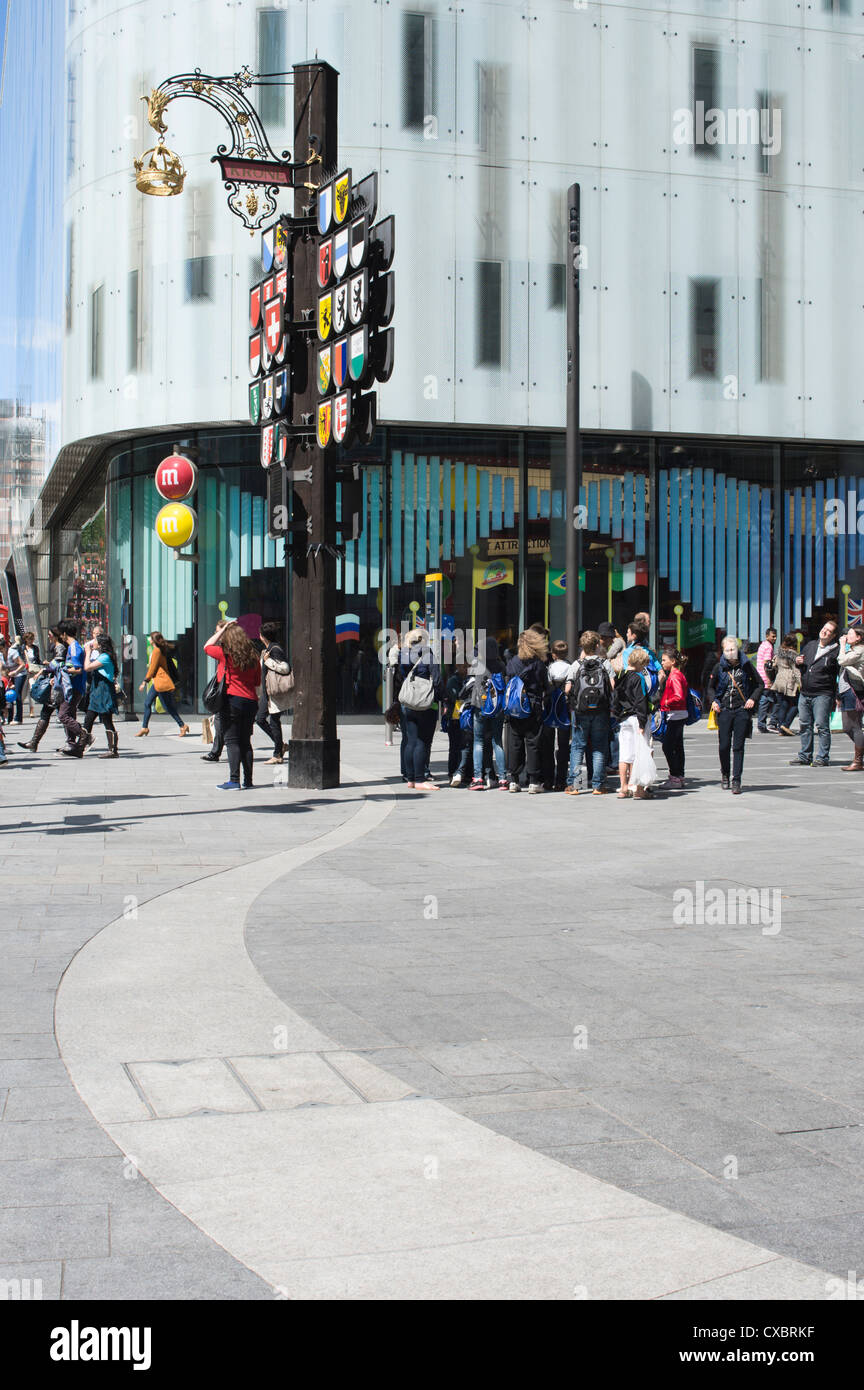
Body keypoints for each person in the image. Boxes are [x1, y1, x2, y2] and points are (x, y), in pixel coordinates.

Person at [203, 619, 261, 789]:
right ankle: (248, 781)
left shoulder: (225, 654)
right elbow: (257, 682)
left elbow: (207, 646)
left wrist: (223, 629)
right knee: (245, 742)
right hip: (250, 701)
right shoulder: (253, 657)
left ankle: (234, 780)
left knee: (231, 741)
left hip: (231, 701)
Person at [708, 635, 760, 794]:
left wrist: (752, 699)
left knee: (738, 747)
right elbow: (710, 687)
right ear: (722, 651)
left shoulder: (746, 665)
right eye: (727, 650)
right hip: (724, 710)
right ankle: (725, 774)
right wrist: (714, 701)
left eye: (733, 649)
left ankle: (736, 780)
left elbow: (760, 684)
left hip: (741, 710)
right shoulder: (719, 667)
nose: (730, 652)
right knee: (724, 746)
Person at [564, 631, 613, 796]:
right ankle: (598, 785)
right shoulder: (605, 663)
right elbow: (612, 686)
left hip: (581, 711)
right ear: (598, 645)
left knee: (578, 746)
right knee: (599, 747)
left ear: (582, 646)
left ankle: (576, 785)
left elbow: (568, 688)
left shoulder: (576, 665)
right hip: (601, 710)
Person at [397, 629, 444, 791]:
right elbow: (437, 680)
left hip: (408, 703)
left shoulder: (403, 655)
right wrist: (439, 701)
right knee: (422, 742)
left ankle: (410, 778)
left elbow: (400, 677)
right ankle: (419, 779)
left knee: (410, 741)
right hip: (425, 704)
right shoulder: (428, 655)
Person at [789, 619, 839, 768]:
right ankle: (805, 755)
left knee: (822, 726)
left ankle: (822, 757)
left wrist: (837, 696)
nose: (824, 631)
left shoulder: (835, 651)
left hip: (823, 693)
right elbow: (802, 666)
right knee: (804, 725)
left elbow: (839, 673)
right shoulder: (810, 645)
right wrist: (798, 662)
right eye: (824, 628)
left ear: (833, 635)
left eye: (828, 631)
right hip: (805, 692)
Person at [505, 629, 549, 793]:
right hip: (533, 706)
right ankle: (533, 780)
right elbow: (546, 686)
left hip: (515, 707)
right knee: (533, 743)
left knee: (514, 743)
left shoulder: (512, 662)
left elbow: (508, 682)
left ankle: (514, 780)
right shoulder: (538, 664)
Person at [466, 635, 507, 790]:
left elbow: (472, 653)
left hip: (480, 706)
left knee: (478, 741)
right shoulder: (501, 665)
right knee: (497, 741)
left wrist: (478, 647)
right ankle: (503, 778)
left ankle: (478, 778)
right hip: (497, 708)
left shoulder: (477, 664)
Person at [611, 646, 650, 798]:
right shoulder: (638, 678)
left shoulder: (622, 675)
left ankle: (623, 787)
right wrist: (642, 722)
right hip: (635, 718)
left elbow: (615, 699)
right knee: (636, 754)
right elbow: (641, 701)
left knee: (624, 755)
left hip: (623, 719)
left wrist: (617, 714)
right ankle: (636, 788)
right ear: (640, 663)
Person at [18, 627, 64, 751]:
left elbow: (58, 664)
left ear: (55, 635)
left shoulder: (60, 647)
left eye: (49, 634)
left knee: (64, 716)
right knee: (48, 714)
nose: (48, 636)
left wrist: (45, 668)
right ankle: (34, 742)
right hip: (54, 687)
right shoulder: (56, 647)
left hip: (58, 687)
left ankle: (81, 738)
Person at [136, 632, 190, 737]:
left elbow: (153, 668)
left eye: (150, 638)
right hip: (158, 682)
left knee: (167, 706)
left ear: (153, 640)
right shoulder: (159, 650)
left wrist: (144, 682)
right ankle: (144, 727)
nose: (149, 640)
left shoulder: (157, 651)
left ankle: (182, 725)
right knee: (148, 703)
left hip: (161, 683)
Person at [257, 621, 292, 764]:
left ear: (263, 636)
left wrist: (267, 662)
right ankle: (280, 746)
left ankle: (278, 754)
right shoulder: (268, 649)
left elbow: (285, 668)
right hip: (268, 692)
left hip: (275, 692)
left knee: (273, 721)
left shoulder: (275, 649)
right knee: (261, 719)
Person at [82, 634, 120, 757]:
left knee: (107, 720)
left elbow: (87, 667)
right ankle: (81, 745)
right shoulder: (102, 656)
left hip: (104, 693)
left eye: (96, 641)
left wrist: (88, 652)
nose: (93, 643)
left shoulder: (105, 657)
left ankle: (113, 750)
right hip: (97, 692)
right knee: (89, 718)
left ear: (101, 644)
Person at [54, 619, 89, 757]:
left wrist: (63, 670)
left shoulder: (74, 647)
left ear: (63, 634)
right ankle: (72, 745)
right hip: (73, 687)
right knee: (70, 714)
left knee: (63, 715)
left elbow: (78, 669)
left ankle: (84, 735)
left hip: (74, 688)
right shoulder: (74, 647)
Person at [659, 649, 689, 788]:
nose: (662, 662)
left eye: (664, 660)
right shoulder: (676, 674)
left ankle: (675, 777)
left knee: (668, 746)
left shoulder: (675, 676)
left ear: (673, 661)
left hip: (676, 714)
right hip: (679, 713)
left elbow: (678, 696)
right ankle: (679, 776)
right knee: (677, 746)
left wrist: (665, 702)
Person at [545, 639, 572, 791]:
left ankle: (548, 778)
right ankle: (561, 779)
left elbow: (547, 685)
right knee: (563, 745)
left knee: (548, 744)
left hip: (550, 706)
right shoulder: (570, 667)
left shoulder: (550, 668)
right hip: (565, 707)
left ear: (554, 654)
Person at [837, 624, 864, 772]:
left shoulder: (859, 650)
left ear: (859, 637)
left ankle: (858, 761)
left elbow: (841, 660)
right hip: (846, 691)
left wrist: (842, 645)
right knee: (847, 727)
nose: (847, 636)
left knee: (854, 726)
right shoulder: (854, 649)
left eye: (851, 634)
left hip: (853, 692)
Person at [770, 633, 801, 734]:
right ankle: (785, 724)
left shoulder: (779, 652)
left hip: (779, 680)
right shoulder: (792, 654)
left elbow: (774, 665)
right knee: (797, 704)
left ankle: (781, 728)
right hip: (789, 681)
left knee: (783, 704)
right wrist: (801, 683)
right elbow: (795, 670)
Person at [755, 627, 778, 733]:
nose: (775, 638)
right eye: (773, 636)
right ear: (767, 636)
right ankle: (767, 723)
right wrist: (769, 679)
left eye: (775, 636)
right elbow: (767, 664)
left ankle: (763, 723)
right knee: (770, 700)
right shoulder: (768, 647)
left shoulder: (763, 645)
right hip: (765, 677)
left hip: (760, 676)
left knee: (765, 699)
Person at [4, 634, 28, 725]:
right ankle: (9, 718)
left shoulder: (12, 652)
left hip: (20, 674)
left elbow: (22, 664)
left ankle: (18, 718)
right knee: (8, 696)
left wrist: (15, 672)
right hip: (10, 676)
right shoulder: (1, 654)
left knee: (17, 695)